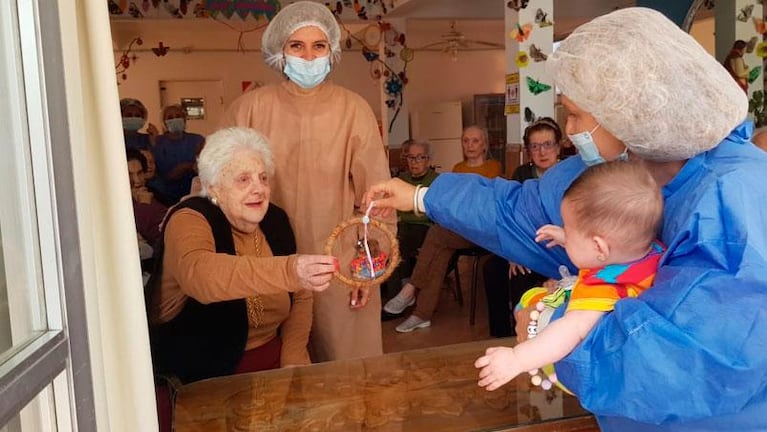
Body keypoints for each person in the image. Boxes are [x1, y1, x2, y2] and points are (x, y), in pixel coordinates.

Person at [364, 8, 767, 431]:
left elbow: (681, 362)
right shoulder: (625, 167)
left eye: (574, 114)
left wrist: (548, 323)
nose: (569, 128)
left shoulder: (735, 196)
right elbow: (519, 212)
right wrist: (421, 196)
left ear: (629, 110)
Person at [219, 1, 393, 362]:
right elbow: (215, 186)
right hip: (263, 260)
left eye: (319, 46)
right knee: (274, 372)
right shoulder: (248, 109)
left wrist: (368, 271)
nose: (309, 56)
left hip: (339, 263)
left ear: (332, 51)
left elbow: (377, 197)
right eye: (297, 46)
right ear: (279, 52)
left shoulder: (353, 109)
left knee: (347, 369)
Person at [146, 126, 337, 385]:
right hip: (201, 376)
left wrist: (293, 356)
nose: (259, 189)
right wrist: (290, 270)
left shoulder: (275, 219)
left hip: (273, 361)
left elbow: (301, 294)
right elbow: (200, 275)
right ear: (213, 188)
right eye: (243, 179)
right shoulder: (189, 218)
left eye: (263, 178)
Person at [476, 161, 664, 391]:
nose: (565, 231)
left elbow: (569, 331)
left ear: (599, 247)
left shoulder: (603, 291)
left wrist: (517, 359)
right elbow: (597, 250)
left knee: (532, 301)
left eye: (569, 228)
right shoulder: (648, 253)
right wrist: (568, 238)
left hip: (580, 370)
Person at [382, 125, 502, 333]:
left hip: (482, 229)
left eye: (475, 141)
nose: (470, 145)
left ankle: (410, 289)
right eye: (466, 140)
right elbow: (455, 203)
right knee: (439, 252)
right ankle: (422, 314)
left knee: (436, 234)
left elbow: (481, 204)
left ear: (484, 145)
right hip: (459, 228)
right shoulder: (456, 169)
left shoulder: (494, 167)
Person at [484, 117, 562, 338]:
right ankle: (504, 335)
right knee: (493, 269)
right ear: (528, 151)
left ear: (558, 147)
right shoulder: (521, 175)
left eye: (548, 145)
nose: (542, 152)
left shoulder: (569, 175)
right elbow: (512, 216)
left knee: (524, 276)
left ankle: (532, 335)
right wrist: (513, 252)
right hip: (525, 244)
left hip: (559, 248)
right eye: (535, 146)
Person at [384, 139, 439, 299]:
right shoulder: (400, 180)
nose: (415, 162)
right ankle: (398, 291)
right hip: (402, 225)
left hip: (425, 227)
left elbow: (432, 211)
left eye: (420, 157)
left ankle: (398, 298)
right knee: (387, 241)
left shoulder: (436, 181)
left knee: (398, 246)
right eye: (411, 157)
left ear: (428, 160)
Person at [151, 104, 205, 205]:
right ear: (164, 122)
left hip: (194, 194)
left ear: (184, 119)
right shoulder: (158, 142)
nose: (175, 119)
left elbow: (204, 167)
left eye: (178, 116)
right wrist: (188, 166)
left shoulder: (197, 140)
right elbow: (167, 175)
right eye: (170, 117)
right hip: (165, 196)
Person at [126, 148, 167, 247]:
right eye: (129, 175)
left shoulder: (152, 194)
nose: (137, 181)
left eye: (140, 173)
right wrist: (144, 205)